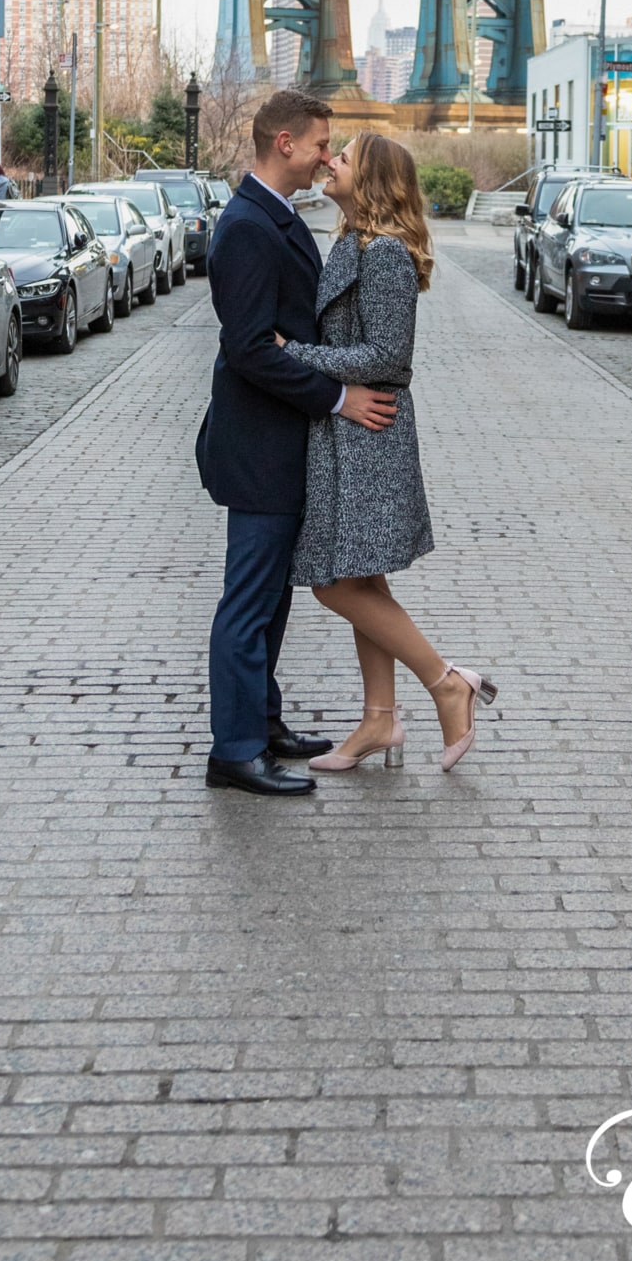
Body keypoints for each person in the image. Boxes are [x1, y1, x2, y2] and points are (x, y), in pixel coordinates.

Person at [196, 90, 399, 798]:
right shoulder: (248, 226)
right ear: (284, 143)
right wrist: (340, 396)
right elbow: (251, 349)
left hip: (281, 444)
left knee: (271, 601)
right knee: (247, 604)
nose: (325, 155)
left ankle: (264, 722)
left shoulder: (275, 218)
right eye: (320, 143)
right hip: (258, 448)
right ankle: (235, 749)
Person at [282, 132, 497, 773]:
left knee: (330, 583)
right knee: (360, 578)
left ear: (371, 180)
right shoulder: (352, 241)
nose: (330, 162)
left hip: (371, 435)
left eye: (342, 158)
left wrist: (295, 355)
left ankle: (446, 682)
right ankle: (379, 721)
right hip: (350, 433)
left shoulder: (385, 256)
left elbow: (387, 357)